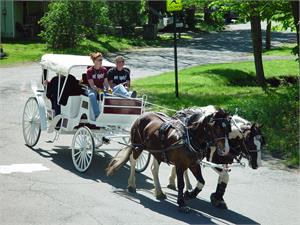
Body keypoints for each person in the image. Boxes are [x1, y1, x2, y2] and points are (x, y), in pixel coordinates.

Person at [86, 52, 110, 120]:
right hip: (92, 89)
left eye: (101, 60)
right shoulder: (89, 71)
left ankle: (108, 114)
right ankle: (97, 115)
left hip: (101, 89)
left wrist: (110, 90)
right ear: (94, 61)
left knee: (110, 95)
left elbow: (106, 83)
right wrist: (100, 91)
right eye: (99, 60)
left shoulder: (104, 70)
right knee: (92, 95)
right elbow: (92, 85)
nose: (101, 61)